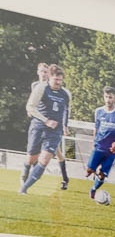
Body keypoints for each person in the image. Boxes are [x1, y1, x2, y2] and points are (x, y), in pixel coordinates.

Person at [19, 64, 71, 196]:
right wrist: (46, 120)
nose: (58, 82)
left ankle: (24, 189)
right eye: (56, 80)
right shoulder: (41, 88)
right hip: (38, 127)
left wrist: (64, 125)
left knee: (44, 160)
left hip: (55, 132)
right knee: (31, 159)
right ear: (49, 77)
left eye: (60, 80)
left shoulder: (66, 93)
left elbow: (66, 110)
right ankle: (25, 173)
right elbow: (30, 107)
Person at [87, 87, 115, 201]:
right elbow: (96, 128)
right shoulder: (98, 111)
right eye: (106, 97)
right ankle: (93, 172)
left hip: (111, 150)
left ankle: (94, 189)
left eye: (110, 97)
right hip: (99, 147)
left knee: (102, 175)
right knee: (88, 171)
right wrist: (94, 141)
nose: (108, 100)